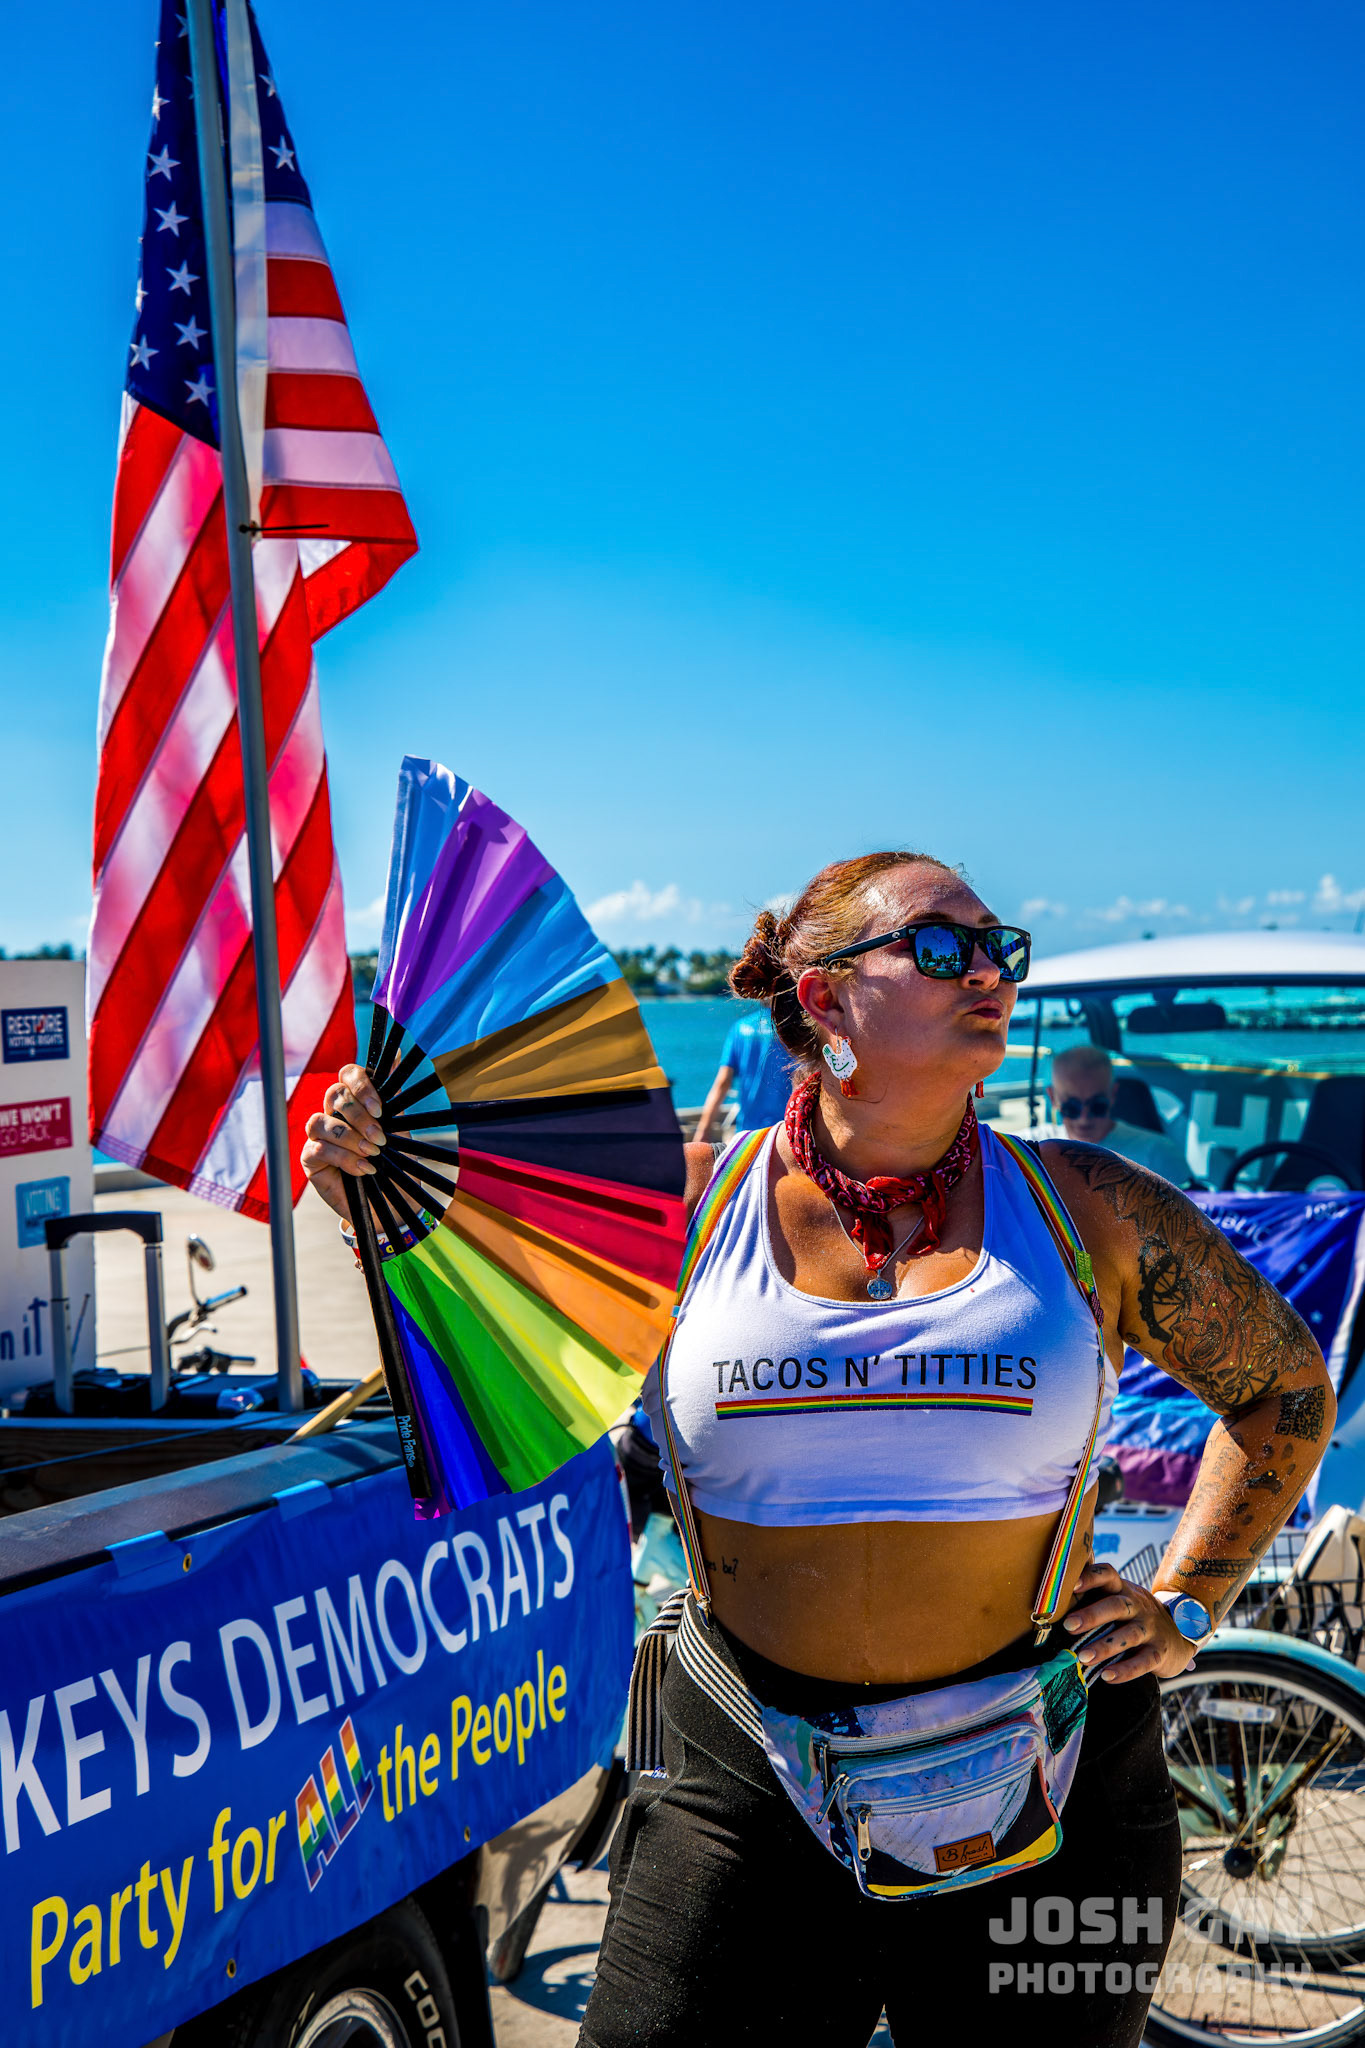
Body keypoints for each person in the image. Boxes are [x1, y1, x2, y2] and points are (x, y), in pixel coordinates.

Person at [300, 850, 1333, 2048]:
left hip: (1052, 1786)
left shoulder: (1087, 1203)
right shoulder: (680, 1208)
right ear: (825, 996)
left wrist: (1185, 1602)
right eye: (941, 946)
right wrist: (370, 1170)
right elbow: (463, 1311)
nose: (988, 971)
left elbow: (1283, 1388)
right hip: (744, 1774)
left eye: (1000, 946)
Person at [1047, 1042, 1189, 1181]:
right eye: (1071, 1107)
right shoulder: (1036, 1150)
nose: (1084, 1118)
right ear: (1052, 1097)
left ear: (1113, 1094)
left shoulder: (1159, 1154)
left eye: (1097, 1105)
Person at [693, 1001, 793, 1141]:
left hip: (747, 1134)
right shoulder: (795, 1031)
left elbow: (722, 1083)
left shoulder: (741, 1027)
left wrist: (703, 1131)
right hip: (785, 1133)